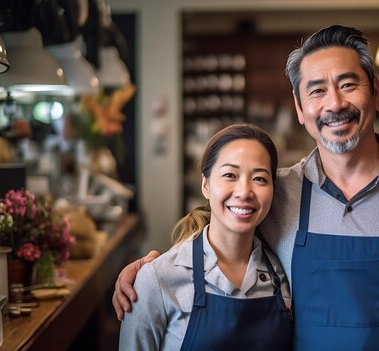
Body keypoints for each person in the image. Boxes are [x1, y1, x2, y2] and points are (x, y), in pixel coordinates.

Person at [114, 25, 379, 350]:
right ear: (300, 109)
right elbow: (223, 229)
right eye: (316, 91)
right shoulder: (276, 193)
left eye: (349, 84)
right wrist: (150, 273)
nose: (334, 103)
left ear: (375, 93)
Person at [118, 123, 292, 350]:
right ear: (206, 185)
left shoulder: (283, 276)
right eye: (230, 175)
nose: (244, 192)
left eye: (259, 179)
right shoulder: (158, 279)